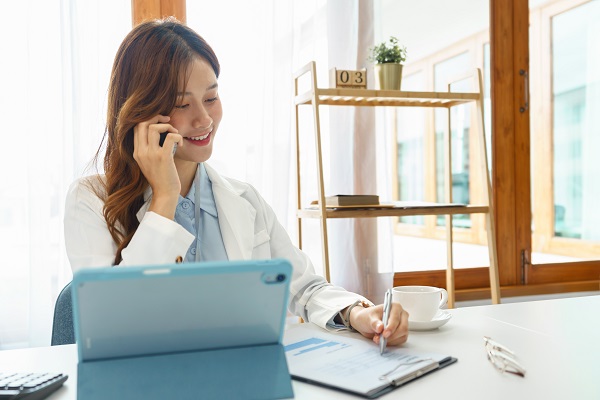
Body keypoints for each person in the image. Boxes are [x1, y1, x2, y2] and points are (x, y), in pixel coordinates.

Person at [64, 18, 409, 346]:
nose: (204, 119)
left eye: (211, 98)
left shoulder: (244, 199)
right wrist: (164, 199)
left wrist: (356, 312)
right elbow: (114, 323)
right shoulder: (90, 200)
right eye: (182, 104)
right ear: (142, 113)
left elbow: (302, 287)